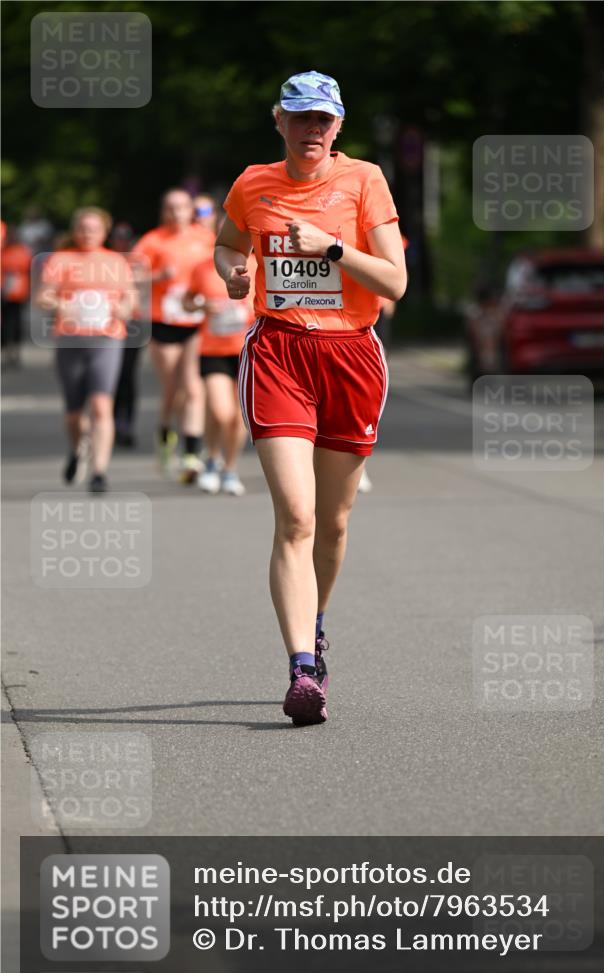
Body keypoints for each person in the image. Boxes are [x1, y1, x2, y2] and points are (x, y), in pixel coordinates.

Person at [215, 71, 406, 726]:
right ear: (279, 121)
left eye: (323, 120)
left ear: (339, 125)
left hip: (351, 355)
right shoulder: (252, 184)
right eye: (300, 118)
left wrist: (331, 247)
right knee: (295, 516)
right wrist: (234, 273)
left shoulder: (364, 181)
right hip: (278, 352)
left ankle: (315, 622)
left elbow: (394, 282)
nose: (312, 130)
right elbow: (225, 244)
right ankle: (301, 667)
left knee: (333, 520)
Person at [37, 207, 137, 493]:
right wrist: (60, 304)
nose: (87, 233)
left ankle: (99, 472)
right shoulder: (61, 259)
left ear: (104, 232)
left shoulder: (116, 262)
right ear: (74, 230)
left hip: (106, 339)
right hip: (70, 340)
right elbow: (42, 296)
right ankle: (77, 449)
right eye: (82, 228)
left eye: (93, 228)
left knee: (102, 405)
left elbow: (130, 300)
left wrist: (123, 308)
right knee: (73, 412)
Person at [134, 189, 214, 481]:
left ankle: (192, 452)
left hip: (196, 321)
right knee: (173, 389)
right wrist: (158, 276)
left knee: (192, 387)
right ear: (163, 211)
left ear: (190, 210)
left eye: (181, 207)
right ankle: (166, 429)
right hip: (164, 321)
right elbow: (131, 275)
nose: (176, 213)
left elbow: (219, 268)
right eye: (170, 207)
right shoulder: (152, 241)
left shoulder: (204, 239)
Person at [183, 216, 256, 496]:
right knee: (220, 410)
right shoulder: (203, 267)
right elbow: (187, 301)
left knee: (238, 417)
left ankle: (228, 469)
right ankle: (212, 459)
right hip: (213, 349)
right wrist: (202, 307)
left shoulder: (260, 267)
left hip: (249, 351)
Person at [110, 222, 149, 447]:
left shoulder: (137, 262)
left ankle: (126, 423)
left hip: (133, 324)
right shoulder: (104, 261)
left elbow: (145, 288)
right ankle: (111, 420)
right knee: (110, 376)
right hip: (106, 325)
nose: (121, 241)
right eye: (117, 237)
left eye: (126, 237)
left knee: (127, 375)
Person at [1, 224, 32, 368]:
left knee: (17, 324)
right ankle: (7, 351)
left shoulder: (23, 252)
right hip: (4, 293)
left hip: (19, 293)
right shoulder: (3, 252)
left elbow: (29, 271)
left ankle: (15, 352)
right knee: (5, 324)